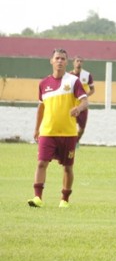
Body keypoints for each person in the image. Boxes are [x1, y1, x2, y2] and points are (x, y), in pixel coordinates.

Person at [27, 48, 89, 208]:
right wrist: (37, 129)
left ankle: (64, 199)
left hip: (68, 133)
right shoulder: (43, 84)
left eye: (63, 58)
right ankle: (37, 198)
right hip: (47, 131)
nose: (60, 61)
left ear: (67, 62)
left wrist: (78, 109)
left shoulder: (73, 81)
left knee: (67, 167)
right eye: (57, 58)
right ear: (51, 61)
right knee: (41, 163)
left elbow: (85, 101)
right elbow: (41, 108)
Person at [68, 56, 95, 144]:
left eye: (81, 61)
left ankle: (76, 141)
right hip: (71, 105)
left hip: (83, 106)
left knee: (82, 128)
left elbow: (92, 90)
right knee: (69, 126)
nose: (79, 62)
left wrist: (85, 96)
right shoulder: (68, 76)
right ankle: (70, 143)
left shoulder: (87, 75)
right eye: (77, 61)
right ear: (73, 62)